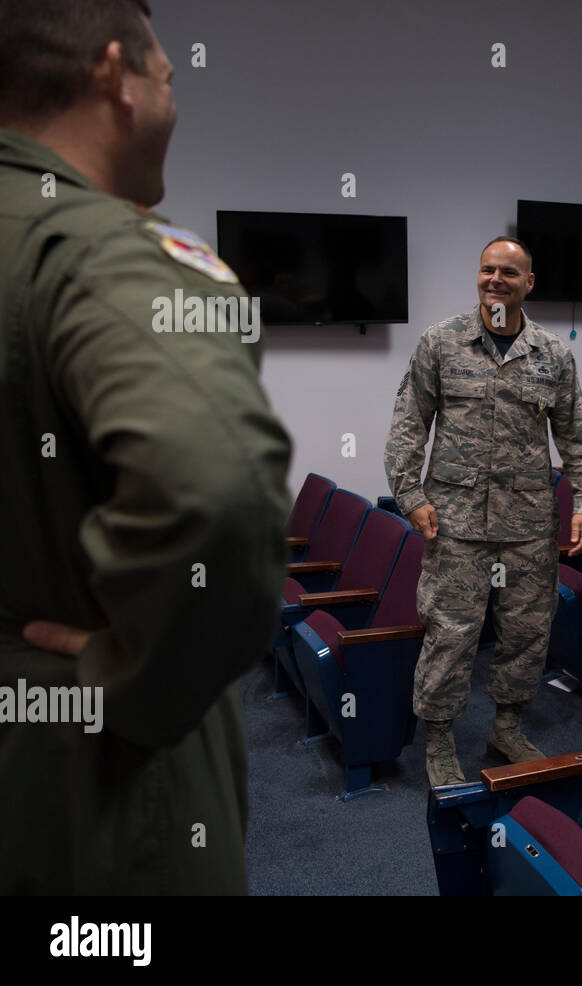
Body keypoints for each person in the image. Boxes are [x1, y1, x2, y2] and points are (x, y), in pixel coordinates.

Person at [0, 0, 292, 892]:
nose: (173, 101)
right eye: (168, 79)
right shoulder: (93, 249)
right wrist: (133, 681)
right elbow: (217, 494)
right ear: (113, 75)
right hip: (86, 778)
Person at [385, 236, 582, 787]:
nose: (496, 279)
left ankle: (506, 727)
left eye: (509, 271)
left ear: (529, 283)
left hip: (529, 524)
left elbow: (578, 435)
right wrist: (410, 496)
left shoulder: (552, 354)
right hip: (454, 521)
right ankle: (438, 738)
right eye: (488, 270)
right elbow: (409, 425)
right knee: (451, 631)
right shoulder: (441, 342)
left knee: (527, 631)